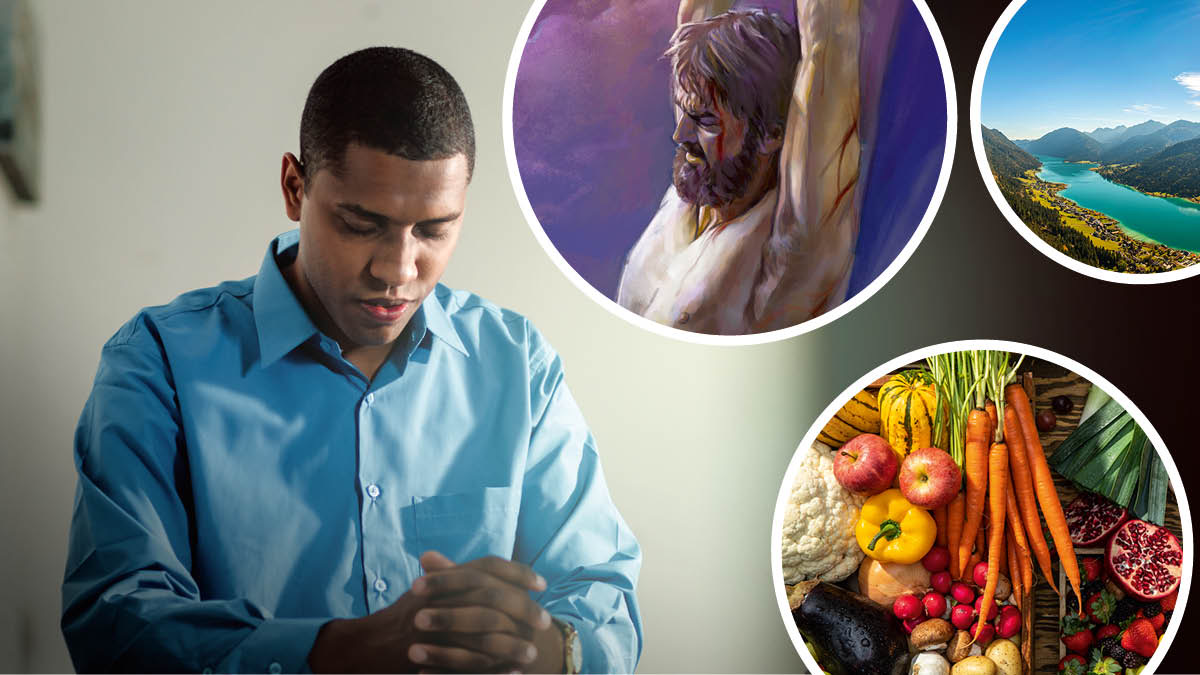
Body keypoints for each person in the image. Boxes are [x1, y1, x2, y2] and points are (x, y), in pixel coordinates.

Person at [61, 47, 642, 674]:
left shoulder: (517, 364)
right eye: (362, 224)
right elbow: (115, 621)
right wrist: (338, 651)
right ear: (295, 187)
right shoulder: (159, 364)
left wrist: (554, 652)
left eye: (434, 230)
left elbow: (602, 594)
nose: (398, 269)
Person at [617, 0, 894, 335]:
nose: (681, 135)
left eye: (705, 121)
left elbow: (827, 46)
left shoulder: (792, 252)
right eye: (685, 112)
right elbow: (700, 10)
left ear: (772, 133)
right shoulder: (698, 187)